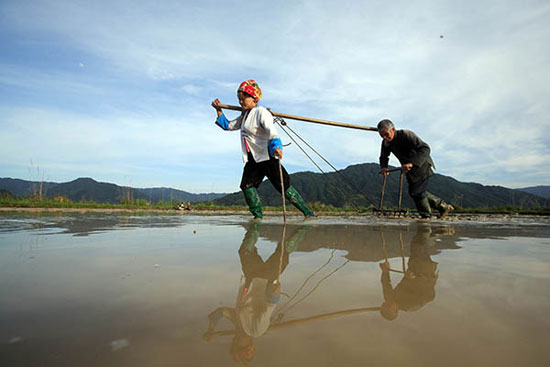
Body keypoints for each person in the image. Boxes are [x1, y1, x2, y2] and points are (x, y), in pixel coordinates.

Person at [212, 79, 314, 219]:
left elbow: (271, 131)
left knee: (283, 187)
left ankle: (308, 213)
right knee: (246, 186)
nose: (241, 102)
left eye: (244, 99)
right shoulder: (245, 115)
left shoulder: (261, 112)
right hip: (253, 159)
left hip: (267, 157)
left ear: (254, 98)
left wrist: (277, 147)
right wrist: (218, 110)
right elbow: (228, 126)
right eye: (239, 99)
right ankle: (257, 217)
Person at [377, 119, 453, 219]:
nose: (385, 137)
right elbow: (384, 156)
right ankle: (442, 207)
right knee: (417, 192)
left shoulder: (406, 135)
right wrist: (384, 167)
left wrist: (411, 163)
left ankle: (426, 216)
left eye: (386, 134)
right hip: (409, 169)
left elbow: (425, 148)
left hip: (421, 165)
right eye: (382, 135)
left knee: (416, 192)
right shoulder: (386, 142)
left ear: (393, 130)